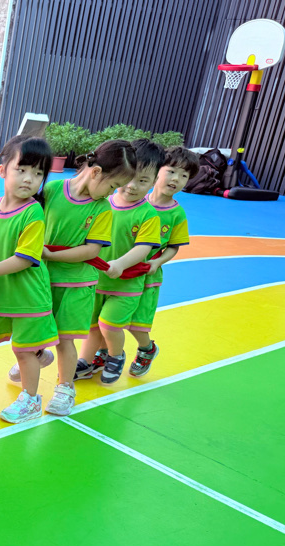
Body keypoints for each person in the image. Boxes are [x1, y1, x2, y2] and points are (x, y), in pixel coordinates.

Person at [38, 140, 135, 415]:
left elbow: (91, 250)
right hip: (42, 279)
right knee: (33, 328)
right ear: (95, 172)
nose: (113, 193)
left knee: (65, 338)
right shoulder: (52, 190)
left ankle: (65, 388)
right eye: (112, 185)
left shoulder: (102, 208)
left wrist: (50, 254)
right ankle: (35, 356)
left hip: (77, 283)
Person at [0, 137, 58, 423]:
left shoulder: (33, 212)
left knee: (23, 351)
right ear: (3, 170)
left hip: (28, 298)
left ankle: (31, 400)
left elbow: (26, 258)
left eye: (38, 173)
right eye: (22, 170)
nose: (29, 179)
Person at [79, 139, 165, 384]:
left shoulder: (148, 214)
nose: (133, 186)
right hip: (96, 280)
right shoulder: (102, 204)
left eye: (143, 181)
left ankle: (116, 356)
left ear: (153, 182)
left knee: (109, 324)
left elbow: (143, 248)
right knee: (92, 325)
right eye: (130, 178)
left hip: (126, 283)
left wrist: (121, 264)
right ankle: (85, 361)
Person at [127, 146, 199, 377]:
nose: (176, 179)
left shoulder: (176, 214)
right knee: (108, 316)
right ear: (157, 171)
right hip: (121, 270)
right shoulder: (134, 200)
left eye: (184, 176)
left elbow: (174, 247)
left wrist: (157, 263)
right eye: (172, 171)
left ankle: (147, 348)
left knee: (136, 322)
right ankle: (104, 352)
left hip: (147, 274)